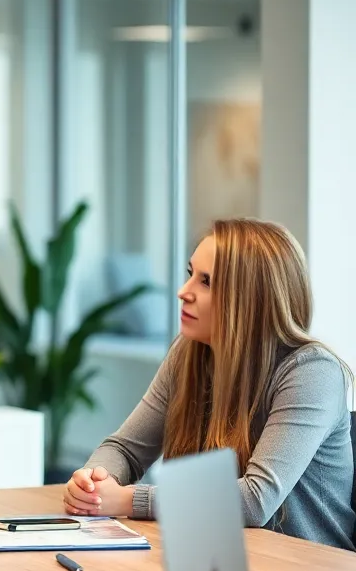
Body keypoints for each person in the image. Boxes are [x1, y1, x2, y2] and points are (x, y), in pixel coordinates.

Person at [63, 217, 355, 551]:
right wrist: (93, 483)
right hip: (222, 560)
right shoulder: (190, 354)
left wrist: (129, 500)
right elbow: (126, 449)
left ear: (251, 299)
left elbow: (255, 501)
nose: (183, 292)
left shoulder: (312, 372)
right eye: (191, 275)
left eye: (206, 282)